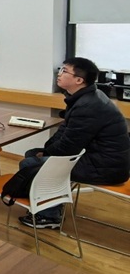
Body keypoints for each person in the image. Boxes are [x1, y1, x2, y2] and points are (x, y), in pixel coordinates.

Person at [18, 57, 130, 229]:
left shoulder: (88, 105)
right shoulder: (84, 97)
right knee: (34, 155)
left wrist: (47, 155)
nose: (59, 74)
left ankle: (48, 215)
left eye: (64, 71)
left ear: (79, 80)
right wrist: (46, 150)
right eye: (60, 69)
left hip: (106, 167)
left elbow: (68, 148)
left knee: (31, 164)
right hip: (101, 160)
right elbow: (65, 132)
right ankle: (49, 203)